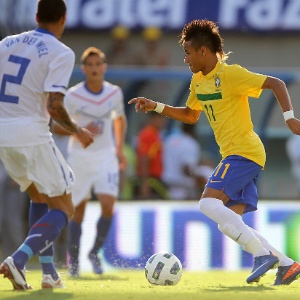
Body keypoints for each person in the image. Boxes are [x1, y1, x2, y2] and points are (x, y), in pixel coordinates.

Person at [128, 19, 300, 285]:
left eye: (187, 52)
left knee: (207, 203)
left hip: (244, 152)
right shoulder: (198, 81)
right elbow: (190, 115)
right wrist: (156, 106)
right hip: (237, 155)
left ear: (203, 52)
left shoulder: (231, 75)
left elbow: (276, 83)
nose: (185, 59)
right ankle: (287, 265)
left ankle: (262, 255)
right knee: (228, 221)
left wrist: (289, 118)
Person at [0, 0, 94, 290]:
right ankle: (17, 259)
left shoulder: (5, 43)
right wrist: (77, 129)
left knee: (39, 197)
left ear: (37, 16)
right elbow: (54, 105)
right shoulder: (60, 52)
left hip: (3, 133)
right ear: (63, 19)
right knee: (65, 206)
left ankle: (49, 273)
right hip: (31, 133)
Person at [51, 47, 127, 276]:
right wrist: (79, 131)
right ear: (84, 69)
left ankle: (94, 252)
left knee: (108, 205)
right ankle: (73, 260)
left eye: (98, 65)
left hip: (105, 156)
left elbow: (119, 119)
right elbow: (56, 126)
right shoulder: (73, 95)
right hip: (80, 157)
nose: (94, 69)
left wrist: (120, 148)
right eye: (90, 65)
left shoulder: (114, 93)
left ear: (104, 67)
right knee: (79, 211)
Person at [162, 123, 201, 200]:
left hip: (168, 186)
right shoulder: (190, 143)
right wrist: (199, 177)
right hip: (183, 188)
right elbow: (185, 169)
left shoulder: (170, 140)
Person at [134, 112, 167, 200]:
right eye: (159, 119)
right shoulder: (148, 134)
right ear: (152, 119)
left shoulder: (156, 134)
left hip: (154, 178)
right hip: (150, 180)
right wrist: (145, 183)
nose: (162, 122)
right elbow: (144, 158)